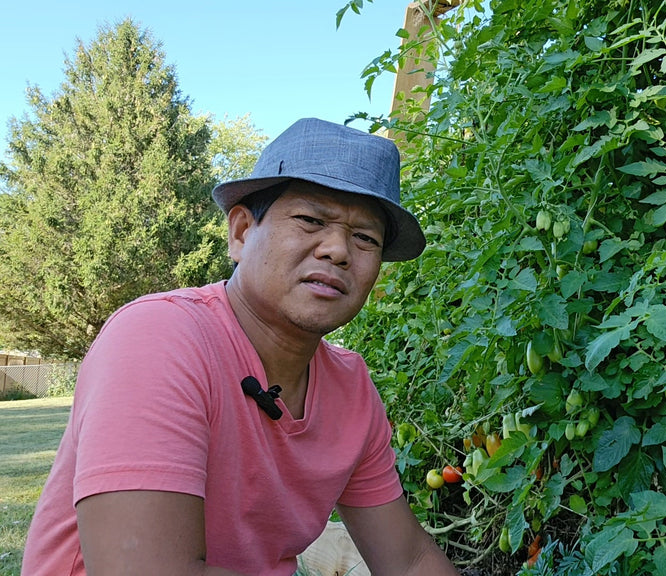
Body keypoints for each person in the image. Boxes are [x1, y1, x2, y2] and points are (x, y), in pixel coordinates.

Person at [21, 118, 460, 576]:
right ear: (241, 232)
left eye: (365, 238)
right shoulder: (160, 337)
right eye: (311, 220)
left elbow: (408, 560)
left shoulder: (349, 389)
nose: (337, 250)